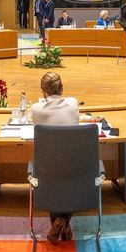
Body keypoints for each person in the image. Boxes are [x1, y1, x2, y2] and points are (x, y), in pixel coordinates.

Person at [31, 72, 80, 242]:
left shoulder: (36, 108)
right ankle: (64, 221)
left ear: (43, 91)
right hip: (75, 168)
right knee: (68, 176)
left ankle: (58, 222)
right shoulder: (73, 104)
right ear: (62, 88)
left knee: (52, 174)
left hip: (46, 171)